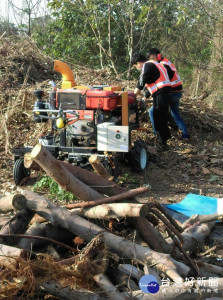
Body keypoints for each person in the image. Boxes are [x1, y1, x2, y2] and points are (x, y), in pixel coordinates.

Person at [131, 53, 172, 149]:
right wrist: (145, 96)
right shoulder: (156, 64)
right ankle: (164, 140)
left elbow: (141, 82)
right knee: (161, 115)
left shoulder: (146, 65)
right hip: (166, 92)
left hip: (161, 93)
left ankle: (161, 143)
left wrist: (132, 96)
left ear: (138, 63)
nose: (137, 68)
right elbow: (154, 81)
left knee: (158, 116)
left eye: (135, 66)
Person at [147, 48, 190, 139]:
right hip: (177, 93)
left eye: (152, 58)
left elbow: (161, 83)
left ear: (158, 56)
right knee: (176, 115)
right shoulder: (166, 62)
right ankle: (185, 135)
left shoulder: (162, 66)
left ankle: (157, 135)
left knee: (152, 111)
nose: (151, 61)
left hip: (171, 94)